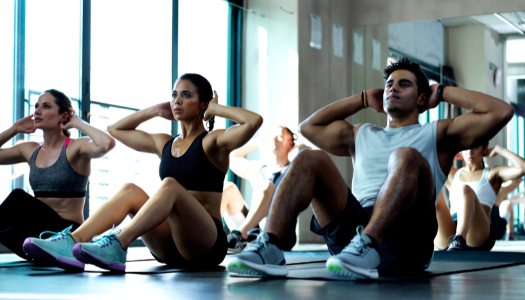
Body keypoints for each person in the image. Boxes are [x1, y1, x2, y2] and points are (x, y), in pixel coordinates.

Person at [226, 57, 514, 278]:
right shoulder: (361, 133)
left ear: (422, 99)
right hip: (352, 235)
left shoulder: (438, 134)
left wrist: (444, 91)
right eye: (390, 84)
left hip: (408, 238)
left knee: (406, 156)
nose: (393, 88)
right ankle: (270, 245)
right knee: (310, 158)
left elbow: (502, 111)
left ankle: (369, 245)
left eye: (404, 84)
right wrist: (363, 99)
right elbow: (308, 128)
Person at [23, 74, 263, 272]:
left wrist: (217, 109)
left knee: (170, 185)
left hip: (205, 245)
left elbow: (253, 121)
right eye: (174, 95)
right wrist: (155, 111)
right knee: (130, 190)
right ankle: (72, 242)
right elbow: (115, 129)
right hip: (170, 246)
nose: (177, 101)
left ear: (203, 104)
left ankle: (119, 243)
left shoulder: (213, 142)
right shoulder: (164, 143)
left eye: (186, 95)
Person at [0, 89, 115, 261]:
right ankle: (39, 252)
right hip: (38, 234)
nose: (37, 111)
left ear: (63, 116)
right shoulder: (30, 149)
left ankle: (59, 251)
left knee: (17, 197)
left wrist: (77, 122)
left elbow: (107, 143)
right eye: (36, 106)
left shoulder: (76, 147)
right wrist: (15, 129)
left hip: (66, 234)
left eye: (46, 106)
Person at [221, 126, 300, 252]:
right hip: (253, 232)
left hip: (279, 234)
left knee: (267, 186)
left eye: (279, 136)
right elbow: (231, 158)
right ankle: (209, 236)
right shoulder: (259, 169)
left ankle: (241, 235)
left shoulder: (294, 171)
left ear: (290, 144)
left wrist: (301, 143)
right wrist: (257, 142)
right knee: (229, 188)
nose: (274, 138)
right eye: (271, 136)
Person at [435, 145, 525, 251]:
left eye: (475, 148)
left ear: (484, 149)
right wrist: (448, 155)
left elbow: (522, 168)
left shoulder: (492, 174)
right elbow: (427, 159)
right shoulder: (453, 174)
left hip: (478, 235)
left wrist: (499, 149)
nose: (470, 153)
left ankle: (460, 238)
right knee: (433, 191)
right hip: (450, 232)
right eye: (466, 149)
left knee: (465, 189)